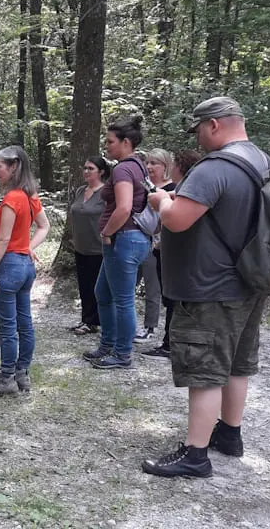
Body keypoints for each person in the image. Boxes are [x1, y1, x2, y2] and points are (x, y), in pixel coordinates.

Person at [141, 97, 270, 478]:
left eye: (199, 129)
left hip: (210, 286)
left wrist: (163, 199)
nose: (197, 138)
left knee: (205, 369)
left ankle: (195, 455)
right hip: (249, 279)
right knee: (236, 363)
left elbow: (178, 220)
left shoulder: (214, 168)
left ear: (214, 125)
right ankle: (229, 433)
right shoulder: (259, 161)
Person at [82, 115, 152, 370]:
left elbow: (123, 208)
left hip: (123, 238)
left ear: (125, 142)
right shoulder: (138, 165)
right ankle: (108, 344)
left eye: (110, 141)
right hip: (130, 239)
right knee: (103, 293)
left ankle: (122, 354)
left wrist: (106, 233)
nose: (106, 145)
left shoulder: (123, 168)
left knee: (123, 299)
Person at [0, 145, 50, 396]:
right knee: (25, 324)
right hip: (25, 267)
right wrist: (28, 247)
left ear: (14, 167)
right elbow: (44, 226)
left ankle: (6, 377)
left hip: (8, 266)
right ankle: (22, 373)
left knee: (8, 328)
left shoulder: (11, 199)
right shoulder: (30, 196)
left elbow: (2, 239)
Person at [142, 149, 203, 359]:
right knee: (171, 299)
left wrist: (160, 243)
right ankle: (171, 341)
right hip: (170, 252)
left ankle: (170, 344)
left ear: (178, 167)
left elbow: (173, 221)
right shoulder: (186, 190)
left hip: (175, 255)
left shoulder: (185, 191)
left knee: (173, 298)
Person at [134, 148, 175, 344]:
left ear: (165, 166)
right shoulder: (144, 186)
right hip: (136, 240)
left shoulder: (171, 189)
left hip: (157, 244)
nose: (149, 167)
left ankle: (150, 327)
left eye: (154, 163)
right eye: (147, 163)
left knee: (152, 287)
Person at [68, 156, 109, 336]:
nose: (86, 171)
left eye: (91, 168)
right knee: (84, 285)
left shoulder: (106, 192)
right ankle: (87, 319)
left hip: (98, 247)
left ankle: (98, 321)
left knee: (97, 286)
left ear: (101, 172)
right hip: (81, 246)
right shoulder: (80, 191)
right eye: (85, 168)